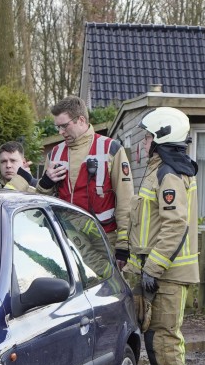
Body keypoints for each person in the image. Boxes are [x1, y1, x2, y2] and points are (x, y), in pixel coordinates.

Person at [126, 107, 199, 365]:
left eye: (147, 136)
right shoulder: (161, 170)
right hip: (157, 272)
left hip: (166, 275)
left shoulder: (168, 174)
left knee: (164, 338)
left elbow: (174, 225)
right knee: (156, 337)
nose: (143, 142)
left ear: (159, 139)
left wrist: (153, 269)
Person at [40, 96, 135, 257]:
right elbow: (42, 200)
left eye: (64, 126)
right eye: (58, 127)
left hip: (103, 240)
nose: (60, 132)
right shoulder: (54, 153)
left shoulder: (111, 149)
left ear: (81, 120)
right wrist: (45, 183)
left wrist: (123, 244)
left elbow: (126, 200)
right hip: (66, 238)